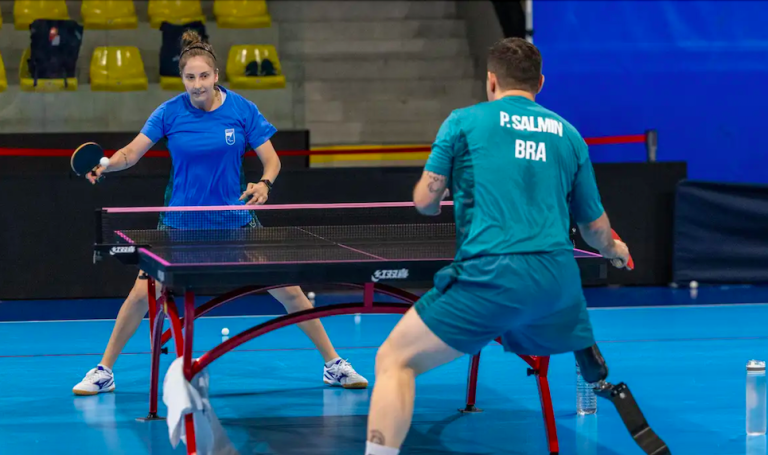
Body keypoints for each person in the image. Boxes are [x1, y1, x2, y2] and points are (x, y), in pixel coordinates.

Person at [364, 37, 633, 455]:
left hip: (491, 277)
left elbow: (424, 203)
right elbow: (596, 230)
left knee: (394, 360)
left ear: (491, 81)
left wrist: (441, 191)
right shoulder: (570, 135)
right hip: (557, 286)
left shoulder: (462, 122)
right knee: (537, 321)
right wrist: (616, 250)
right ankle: (578, 365)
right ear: (540, 82)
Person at [72, 30, 367, 396]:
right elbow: (130, 153)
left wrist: (264, 184)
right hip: (180, 223)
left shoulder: (242, 110)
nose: (197, 85)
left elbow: (271, 160)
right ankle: (105, 370)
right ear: (182, 79)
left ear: (216, 76)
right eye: (190, 77)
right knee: (142, 294)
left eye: (203, 76)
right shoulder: (169, 112)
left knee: (288, 289)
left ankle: (333, 364)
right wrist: (106, 165)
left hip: (234, 221)